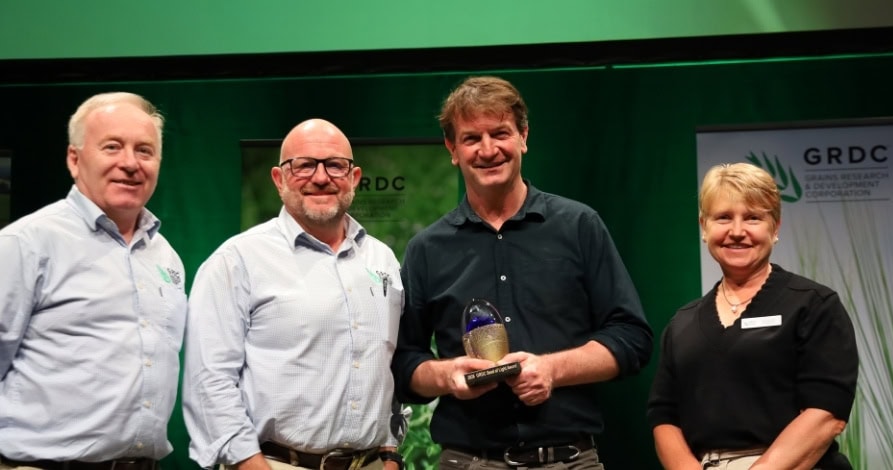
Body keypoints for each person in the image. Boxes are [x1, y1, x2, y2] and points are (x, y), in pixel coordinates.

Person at [391, 76, 653, 469]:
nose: (488, 150)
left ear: (523, 136)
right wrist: (448, 376)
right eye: (471, 138)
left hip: (569, 460)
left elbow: (631, 337)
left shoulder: (578, 225)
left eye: (500, 133)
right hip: (468, 461)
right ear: (452, 149)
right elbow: (405, 363)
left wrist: (552, 370)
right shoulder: (427, 248)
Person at [182, 118, 405, 470]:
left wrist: (390, 453)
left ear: (354, 177)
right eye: (304, 165)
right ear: (279, 179)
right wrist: (249, 464)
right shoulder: (237, 260)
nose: (321, 177)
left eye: (335, 165)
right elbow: (209, 381)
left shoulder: (383, 259)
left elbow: (389, 366)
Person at [0, 92, 187, 470]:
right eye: (112, 147)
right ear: (75, 159)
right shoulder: (26, 243)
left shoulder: (165, 256)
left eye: (145, 151)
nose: (130, 163)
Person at [647, 162, 859, 470]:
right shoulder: (682, 323)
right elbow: (663, 415)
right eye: (723, 218)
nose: (736, 232)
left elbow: (827, 411)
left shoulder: (814, 305)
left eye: (753, 218)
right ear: (704, 227)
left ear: (775, 227)